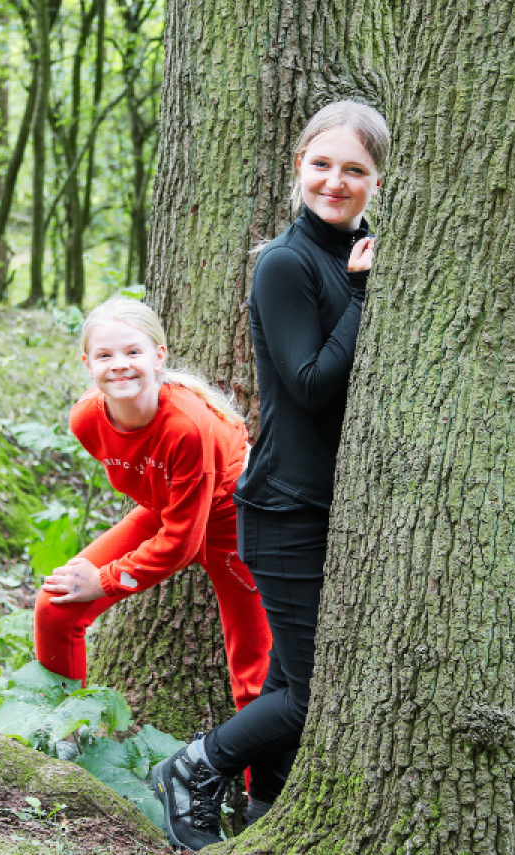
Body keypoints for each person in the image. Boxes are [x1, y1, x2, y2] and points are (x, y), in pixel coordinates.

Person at [151, 100, 390, 852]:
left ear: (378, 180)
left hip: (327, 508)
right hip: (285, 506)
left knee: (291, 683)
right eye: (322, 164)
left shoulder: (357, 252)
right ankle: (193, 768)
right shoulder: (288, 264)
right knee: (312, 693)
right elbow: (312, 382)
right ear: (298, 168)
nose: (336, 181)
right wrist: (360, 296)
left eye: (355, 169)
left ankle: (266, 819)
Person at [33, 298, 272, 717]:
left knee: (254, 678)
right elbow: (165, 509)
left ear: (158, 357)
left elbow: (181, 545)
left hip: (234, 520)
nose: (119, 365)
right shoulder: (86, 420)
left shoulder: (186, 428)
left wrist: (105, 580)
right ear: (88, 364)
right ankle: (63, 737)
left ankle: (264, 782)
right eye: (105, 355)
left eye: (133, 352)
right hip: (170, 511)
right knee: (55, 606)